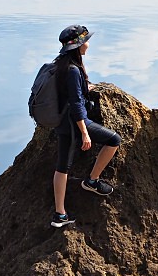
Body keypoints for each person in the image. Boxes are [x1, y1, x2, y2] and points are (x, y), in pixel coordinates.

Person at [50, 24, 121, 228]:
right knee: (114, 139)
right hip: (73, 124)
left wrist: (85, 87)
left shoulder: (61, 64)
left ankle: (59, 215)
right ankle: (92, 181)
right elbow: (76, 105)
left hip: (61, 123)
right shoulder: (73, 70)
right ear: (79, 45)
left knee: (62, 167)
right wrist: (85, 133)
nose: (88, 44)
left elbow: (70, 92)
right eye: (85, 41)